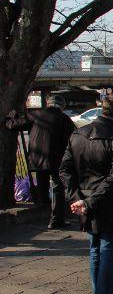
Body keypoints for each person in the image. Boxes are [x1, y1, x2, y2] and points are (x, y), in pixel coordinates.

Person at [59, 94, 113, 294]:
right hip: (108, 202)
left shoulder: (78, 134)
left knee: (96, 252)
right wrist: (82, 200)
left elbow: (65, 170)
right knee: (108, 254)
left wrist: (77, 198)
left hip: (88, 199)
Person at [27, 96, 76, 229]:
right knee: (57, 189)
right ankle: (56, 219)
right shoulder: (64, 119)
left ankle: (42, 209)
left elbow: (16, 123)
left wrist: (12, 116)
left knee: (42, 186)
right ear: (61, 106)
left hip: (37, 159)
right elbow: (72, 139)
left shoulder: (36, 115)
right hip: (56, 160)